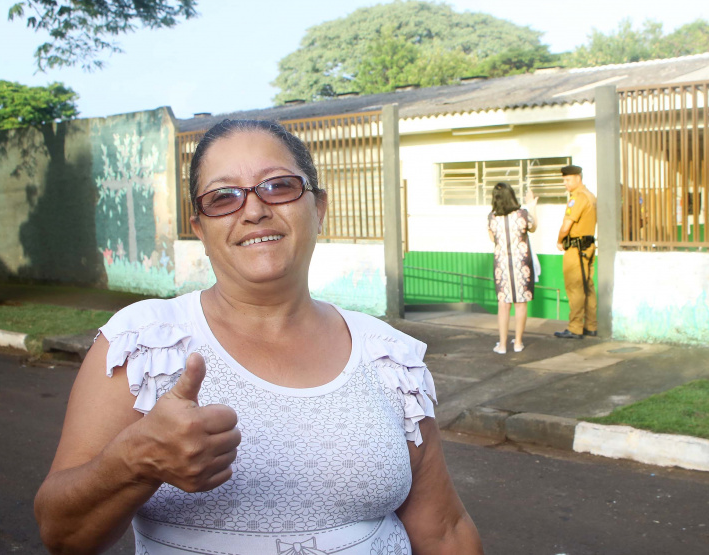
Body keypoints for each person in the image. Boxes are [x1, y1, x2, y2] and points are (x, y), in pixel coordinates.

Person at [34, 119, 483, 555]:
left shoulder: (389, 357)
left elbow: (444, 530)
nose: (253, 210)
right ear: (201, 232)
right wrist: (135, 460)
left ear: (319, 208)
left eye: (279, 186)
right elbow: (62, 535)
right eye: (223, 197)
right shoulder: (144, 345)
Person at [487, 182, 538, 354]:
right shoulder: (522, 214)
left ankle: (502, 345)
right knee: (520, 303)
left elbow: (492, 238)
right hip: (521, 264)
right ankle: (518, 343)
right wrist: (532, 205)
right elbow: (534, 227)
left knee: (503, 304)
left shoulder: (492, 218)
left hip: (502, 265)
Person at [554, 165, 598, 339]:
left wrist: (559, 241)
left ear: (578, 178)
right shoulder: (591, 196)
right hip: (588, 246)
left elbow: (566, 226)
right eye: (564, 180)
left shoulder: (578, 198)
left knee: (575, 288)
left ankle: (575, 327)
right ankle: (591, 325)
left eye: (568, 180)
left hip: (576, 248)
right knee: (588, 286)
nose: (565, 183)